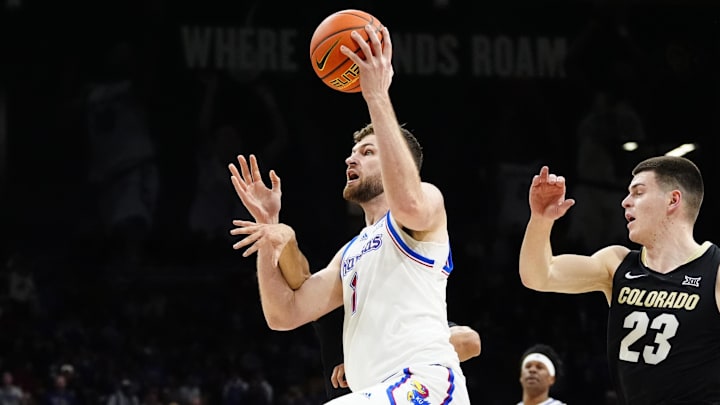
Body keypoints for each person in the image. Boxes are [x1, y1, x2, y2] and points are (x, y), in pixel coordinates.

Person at [228, 24, 471, 404]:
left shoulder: (426, 202)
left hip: (422, 385)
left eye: (368, 152)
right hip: (380, 391)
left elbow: (406, 203)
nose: (351, 157)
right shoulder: (351, 253)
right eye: (353, 152)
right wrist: (267, 228)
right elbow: (284, 314)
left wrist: (375, 93)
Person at [518, 156, 720, 404]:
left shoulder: (714, 270)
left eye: (638, 192)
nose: (625, 202)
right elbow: (538, 276)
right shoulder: (616, 264)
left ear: (673, 200)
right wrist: (541, 219)